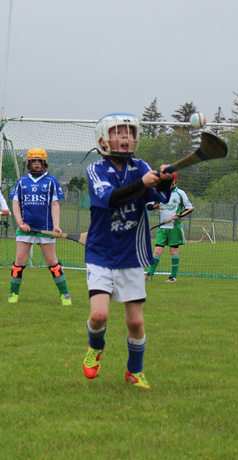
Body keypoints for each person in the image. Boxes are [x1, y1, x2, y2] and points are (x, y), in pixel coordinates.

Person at [82, 113, 174, 390]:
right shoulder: (95, 170)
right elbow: (110, 198)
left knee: (135, 321)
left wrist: (165, 181)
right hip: (100, 253)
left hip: (131, 255)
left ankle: (134, 371)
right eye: (118, 132)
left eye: (130, 133)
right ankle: (95, 347)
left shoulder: (140, 166)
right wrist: (144, 183)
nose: (125, 137)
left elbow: (160, 199)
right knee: (99, 316)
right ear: (103, 140)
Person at [7, 148, 71, 305]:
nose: (36, 164)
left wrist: (56, 226)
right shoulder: (22, 181)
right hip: (25, 228)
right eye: (33, 161)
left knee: (52, 262)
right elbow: (16, 203)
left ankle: (65, 295)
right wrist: (20, 222)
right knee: (19, 261)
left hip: (46, 228)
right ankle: (13, 294)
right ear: (29, 163)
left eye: (39, 161)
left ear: (45, 163)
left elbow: (55, 205)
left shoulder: (51, 181)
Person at [146, 172, 193, 282]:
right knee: (157, 250)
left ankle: (173, 276)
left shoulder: (180, 193)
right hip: (162, 227)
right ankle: (150, 274)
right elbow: (149, 206)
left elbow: (190, 208)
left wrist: (180, 215)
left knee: (174, 251)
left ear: (175, 181)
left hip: (174, 227)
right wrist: (154, 206)